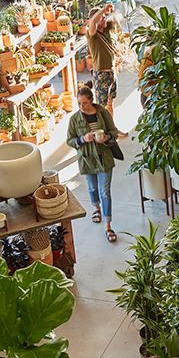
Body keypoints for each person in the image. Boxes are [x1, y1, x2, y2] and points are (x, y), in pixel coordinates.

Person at [67, 83, 121, 243]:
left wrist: (107, 138)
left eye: (84, 103)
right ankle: (96, 208)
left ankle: (108, 224)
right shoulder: (74, 119)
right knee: (92, 187)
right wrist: (82, 139)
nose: (81, 106)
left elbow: (114, 132)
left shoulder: (103, 113)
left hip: (104, 158)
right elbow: (70, 141)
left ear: (91, 101)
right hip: (87, 159)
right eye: (78, 103)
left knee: (106, 192)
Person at [87, 2, 120, 117]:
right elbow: (92, 22)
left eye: (105, 17)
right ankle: (102, 131)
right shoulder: (92, 34)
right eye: (101, 19)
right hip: (101, 74)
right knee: (101, 106)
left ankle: (112, 129)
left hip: (111, 72)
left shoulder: (105, 29)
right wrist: (103, 9)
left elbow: (118, 19)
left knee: (110, 103)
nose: (104, 19)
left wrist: (110, 9)